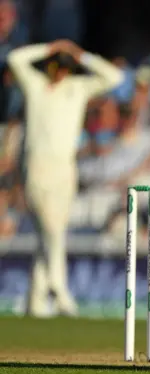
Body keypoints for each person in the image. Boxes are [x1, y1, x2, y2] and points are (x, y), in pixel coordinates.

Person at [8, 39, 124, 316]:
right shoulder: (35, 85)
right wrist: (49, 47)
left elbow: (114, 77)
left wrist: (81, 55)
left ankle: (35, 302)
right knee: (51, 230)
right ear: (49, 66)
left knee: (50, 233)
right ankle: (60, 291)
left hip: (65, 169)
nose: (60, 72)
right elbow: (15, 58)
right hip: (37, 166)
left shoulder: (78, 87)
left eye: (64, 68)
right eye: (56, 66)